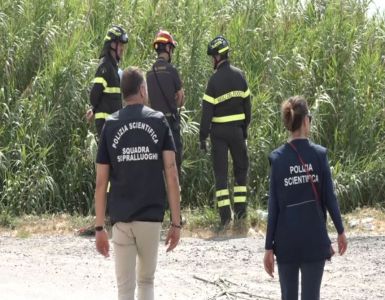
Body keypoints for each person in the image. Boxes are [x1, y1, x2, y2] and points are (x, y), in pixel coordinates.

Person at [94, 67, 181, 300]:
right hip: (150, 219)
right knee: (146, 281)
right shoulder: (158, 121)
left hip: (121, 220)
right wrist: (176, 222)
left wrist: (100, 227)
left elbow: (101, 182)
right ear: (143, 90)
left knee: (124, 288)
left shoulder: (110, 125)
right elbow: (171, 173)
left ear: (123, 93)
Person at [263, 96, 348, 300]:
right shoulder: (319, 155)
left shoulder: (278, 159)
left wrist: (268, 247)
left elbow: (273, 206)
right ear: (305, 121)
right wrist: (340, 230)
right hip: (313, 239)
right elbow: (329, 197)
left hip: (286, 242)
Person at [199, 35, 251, 226]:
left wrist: (202, 137)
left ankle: (225, 219)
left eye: (213, 57)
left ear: (218, 57)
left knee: (221, 176)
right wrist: (244, 130)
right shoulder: (240, 75)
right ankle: (241, 215)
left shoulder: (213, 81)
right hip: (237, 132)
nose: (212, 60)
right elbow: (248, 107)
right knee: (240, 172)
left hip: (218, 135)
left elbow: (206, 113)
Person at [146, 30, 185, 178]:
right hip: (170, 122)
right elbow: (181, 100)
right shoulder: (172, 71)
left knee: (157, 162)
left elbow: (148, 101)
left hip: (154, 123)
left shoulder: (149, 73)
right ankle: (175, 197)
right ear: (168, 48)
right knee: (174, 163)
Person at [86, 25, 128, 138]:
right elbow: (94, 96)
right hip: (106, 122)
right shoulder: (105, 66)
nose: (122, 48)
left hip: (113, 122)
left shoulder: (112, 67)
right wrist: (94, 109)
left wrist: (94, 109)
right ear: (113, 45)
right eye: (120, 44)